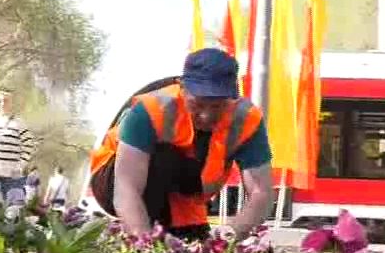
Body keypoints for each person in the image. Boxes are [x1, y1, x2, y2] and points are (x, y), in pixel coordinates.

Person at [87, 48, 273, 240]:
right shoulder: (150, 110)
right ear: (182, 88)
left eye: (218, 106)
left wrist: (232, 233)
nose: (207, 116)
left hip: (183, 195)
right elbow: (127, 187)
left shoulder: (247, 119)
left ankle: (172, 231)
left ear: (234, 97)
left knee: (199, 250)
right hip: (115, 181)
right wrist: (144, 243)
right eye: (197, 104)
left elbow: (261, 192)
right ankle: (146, 232)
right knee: (164, 156)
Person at [0, 90, 37, 203]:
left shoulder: (19, 123)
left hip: (12, 176)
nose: (2, 104)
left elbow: (28, 145)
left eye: (6, 101)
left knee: (12, 211)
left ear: (11, 103)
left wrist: (21, 165)